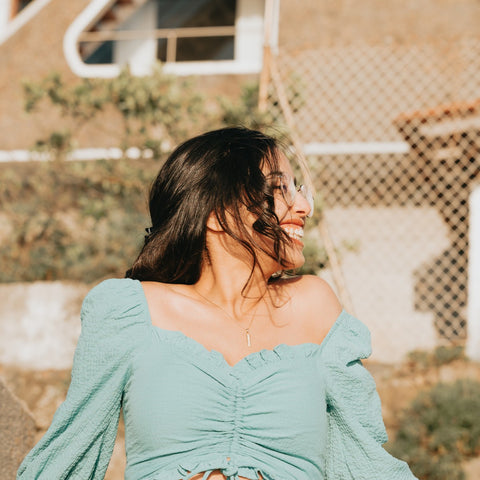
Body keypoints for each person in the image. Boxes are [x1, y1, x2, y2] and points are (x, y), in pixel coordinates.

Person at [17, 127, 417, 479]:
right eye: (279, 189)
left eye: (299, 190)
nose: (304, 206)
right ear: (215, 211)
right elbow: (70, 455)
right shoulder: (129, 310)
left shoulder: (314, 308)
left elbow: (365, 463)